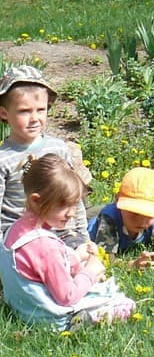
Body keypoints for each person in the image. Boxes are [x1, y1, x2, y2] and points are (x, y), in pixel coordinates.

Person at [0, 154, 135, 329]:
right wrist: (90, 272)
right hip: (50, 319)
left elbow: (38, 266)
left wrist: (76, 257)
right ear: (35, 201)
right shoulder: (45, 246)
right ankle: (80, 321)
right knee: (126, 304)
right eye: (64, 205)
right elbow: (67, 296)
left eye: (74, 205)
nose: (71, 213)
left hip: (22, 309)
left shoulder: (15, 230)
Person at [0, 65, 92, 250]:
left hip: (61, 231)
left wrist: (83, 237)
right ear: (4, 113)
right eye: (24, 111)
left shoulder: (58, 148)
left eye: (41, 110)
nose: (34, 118)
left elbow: (74, 197)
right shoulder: (4, 159)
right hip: (21, 237)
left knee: (85, 262)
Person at [89, 166, 154, 269]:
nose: (141, 220)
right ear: (117, 201)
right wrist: (132, 265)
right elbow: (105, 259)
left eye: (148, 214)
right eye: (134, 213)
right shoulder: (109, 220)